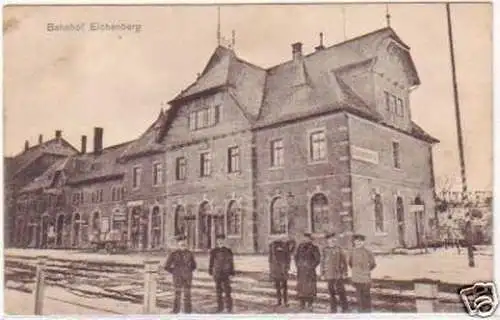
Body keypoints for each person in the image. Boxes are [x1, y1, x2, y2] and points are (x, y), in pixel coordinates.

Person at [164, 234, 197, 313]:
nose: (183, 243)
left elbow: (194, 265)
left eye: (184, 242)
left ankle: (188, 311)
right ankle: (176, 311)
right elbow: (166, 266)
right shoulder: (173, 254)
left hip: (187, 277)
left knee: (187, 295)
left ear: (186, 243)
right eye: (181, 242)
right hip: (177, 277)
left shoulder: (190, 253)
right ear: (178, 244)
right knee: (177, 294)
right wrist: (174, 272)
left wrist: (188, 271)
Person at [321, 232, 348, 313]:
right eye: (329, 239)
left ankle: (345, 308)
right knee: (331, 293)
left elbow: (344, 262)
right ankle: (333, 309)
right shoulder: (325, 250)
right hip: (329, 274)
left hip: (338, 274)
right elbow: (322, 262)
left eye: (333, 239)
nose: (331, 240)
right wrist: (322, 273)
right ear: (327, 240)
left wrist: (345, 272)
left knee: (341, 291)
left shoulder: (339, 249)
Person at [349, 234, 376, 313]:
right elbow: (350, 263)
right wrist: (356, 271)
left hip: (365, 279)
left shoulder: (368, 252)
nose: (358, 243)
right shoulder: (352, 252)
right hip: (356, 278)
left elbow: (373, 264)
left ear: (363, 242)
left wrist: (366, 271)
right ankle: (360, 313)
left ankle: (367, 313)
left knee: (366, 297)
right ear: (354, 242)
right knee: (359, 298)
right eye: (357, 241)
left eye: (360, 241)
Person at [294, 232, 321, 311]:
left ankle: (310, 304)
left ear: (310, 239)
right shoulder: (300, 247)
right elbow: (296, 257)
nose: (305, 240)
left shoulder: (314, 248)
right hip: (301, 271)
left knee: (310, 289)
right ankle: (302, 304)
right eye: (304, 238)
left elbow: (317, 259)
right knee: (301, 288)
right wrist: (298, 265)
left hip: (310, 272)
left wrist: (311, 266)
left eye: (307, 238)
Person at [209, 234, 235, 313]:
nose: (220, 241)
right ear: (217, 241)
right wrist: (210, 271)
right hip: (217, 274)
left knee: (227, 291)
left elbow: (231, 262)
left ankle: (229, 308)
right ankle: (220, 307)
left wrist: (232, 272)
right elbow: (211, 262)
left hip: (226, 274)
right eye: (219, 240)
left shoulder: (228, 251)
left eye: (222, 240)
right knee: (218, 291)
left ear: (224, 241)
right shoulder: (213, 251)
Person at [269, 236, 296, 307]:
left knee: (284, 286)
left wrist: (287, 267)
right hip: (276, 269)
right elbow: (270, 259)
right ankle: (279, 301)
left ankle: (286, 301)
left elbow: (288, 257)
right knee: (278, 286)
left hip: (283, 269)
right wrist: (271, 270)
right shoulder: (272, 245)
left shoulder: (285, 245)